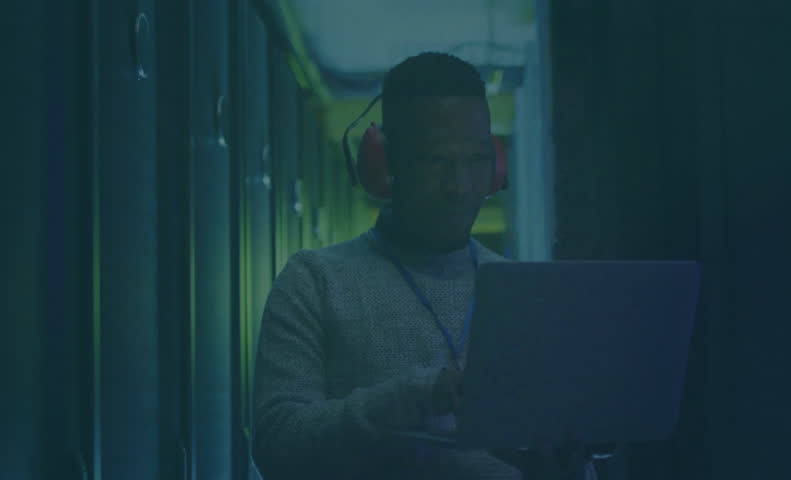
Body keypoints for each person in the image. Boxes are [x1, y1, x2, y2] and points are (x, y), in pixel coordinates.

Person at [251, 52, 597, 480]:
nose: (459, 186)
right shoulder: (314, 282)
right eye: (437, 161)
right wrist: (411, 397)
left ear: (496, 164)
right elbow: (277, 446)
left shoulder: (522, 292)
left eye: (475, 160)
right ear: (386, 162)